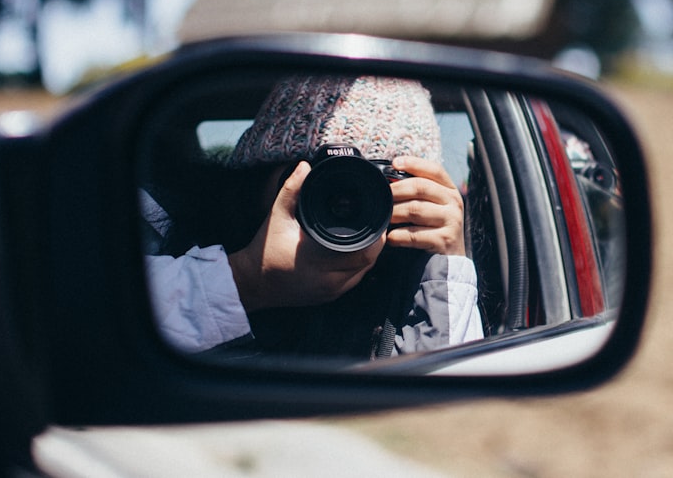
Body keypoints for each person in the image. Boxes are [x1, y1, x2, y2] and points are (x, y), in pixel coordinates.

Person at [145, 74, 483, 359]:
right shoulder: (174, 246)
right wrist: (246, 279)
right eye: (314, 178)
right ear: (254, 180)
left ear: (415, 199)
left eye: (375, 185)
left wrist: (447, 263)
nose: (340, 204)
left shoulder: (409, 285)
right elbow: (102, 311)